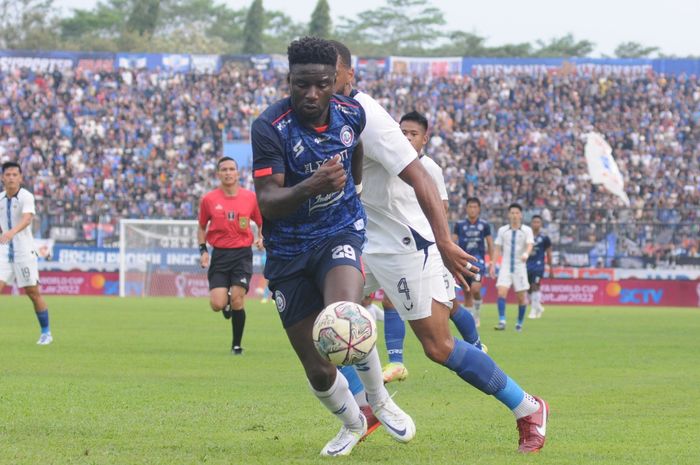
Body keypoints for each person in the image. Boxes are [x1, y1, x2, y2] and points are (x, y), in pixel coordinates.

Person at [332, 40, 548, 454]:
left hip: (404, 245)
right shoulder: (325, 114)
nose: (318, 86)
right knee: (327, 320)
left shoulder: (371, 118)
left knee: (438, 346)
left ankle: (528, 407)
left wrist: (446, 242)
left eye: (329, 77)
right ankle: (367, 408)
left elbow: (423, 180)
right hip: (360, 240)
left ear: (347, 75)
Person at [250, 37, 414, 457]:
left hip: (337, 233)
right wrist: (313, 185)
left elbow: (355, 144)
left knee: (346, 317)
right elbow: (268, 201)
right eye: (301, 84)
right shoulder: (270, 127)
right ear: (290, 80)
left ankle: (380, 401)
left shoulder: (351, 112)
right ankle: (352, 422)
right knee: (319, 368)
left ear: (334, 81)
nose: (311, 94)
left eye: (321, 84)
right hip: (287, 251)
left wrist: (352, 189)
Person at [381, 111, 486, 385]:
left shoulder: (431, 169)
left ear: (424, 139)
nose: (406, 137)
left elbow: (442, 209)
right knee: (390, 299)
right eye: (402, 132)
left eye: (413, 134)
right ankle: (396, 362)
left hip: (430, 248)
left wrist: (442, 245)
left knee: (448, 306)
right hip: (397, 247)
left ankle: (477, 347)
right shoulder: (389, 163)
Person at [198, 157, 263, 355]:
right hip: (219, 255)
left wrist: (262, 238)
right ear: (218, 174)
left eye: (231, 169)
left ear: (237, 173)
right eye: (224, 169)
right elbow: (201, 226)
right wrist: (203, 251)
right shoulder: (209, 199)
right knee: (217, 304)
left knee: (237, 299)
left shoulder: (250, 198)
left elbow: (262, 223)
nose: (228, 173)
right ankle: (225, 304)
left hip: (242, 255)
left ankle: (236, 345)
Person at [0, 161, 52, 345]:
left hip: (23, 251)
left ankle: (46, 332)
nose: (12, 178)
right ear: (2, 178)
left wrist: (11, 232)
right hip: (5, 251)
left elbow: (27, 218)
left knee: (32, 292)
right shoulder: (0, 199)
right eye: (8, 175)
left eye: (15, 174)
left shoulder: (26, 197)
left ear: (20, 177)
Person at [452, 197, 496, 327]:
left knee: (475, 289)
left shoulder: (484, 225)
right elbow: (452, 242)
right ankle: (471, 319)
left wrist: (492, 261)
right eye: (470, 207)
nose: (472, 209)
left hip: (478, 263)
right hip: (463, 262)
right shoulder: (459, 225)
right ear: (466, 208)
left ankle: (477, 313)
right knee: (466, 291)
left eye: (475, 207)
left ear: (479, 209)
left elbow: (490, 243)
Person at [493, 203, 534, 332]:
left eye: (517, 213)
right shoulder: (503, 230)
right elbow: (497, 248)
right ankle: (502, 321)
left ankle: (519, 323)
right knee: (501, 292)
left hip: (519, 267)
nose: (514, 215)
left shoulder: (527, 230)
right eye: (512, 213)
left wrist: (526, 254)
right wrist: (493, 264)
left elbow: (529, 244)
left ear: (521, 215)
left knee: (521, 297)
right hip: (505, 266)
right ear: (508, 215)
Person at [527, 215, 552, 319]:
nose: (536, 224)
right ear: (531, 223)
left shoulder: (545, 238)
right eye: (534, 222)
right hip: (527, 265)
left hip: (538, 265)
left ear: (541, 224)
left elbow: (549, 253)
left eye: (538, 222)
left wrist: (551, 268)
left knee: (535, 285)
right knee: (528, 288)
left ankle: (533, 310)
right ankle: (538, 307)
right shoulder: (526, 236)